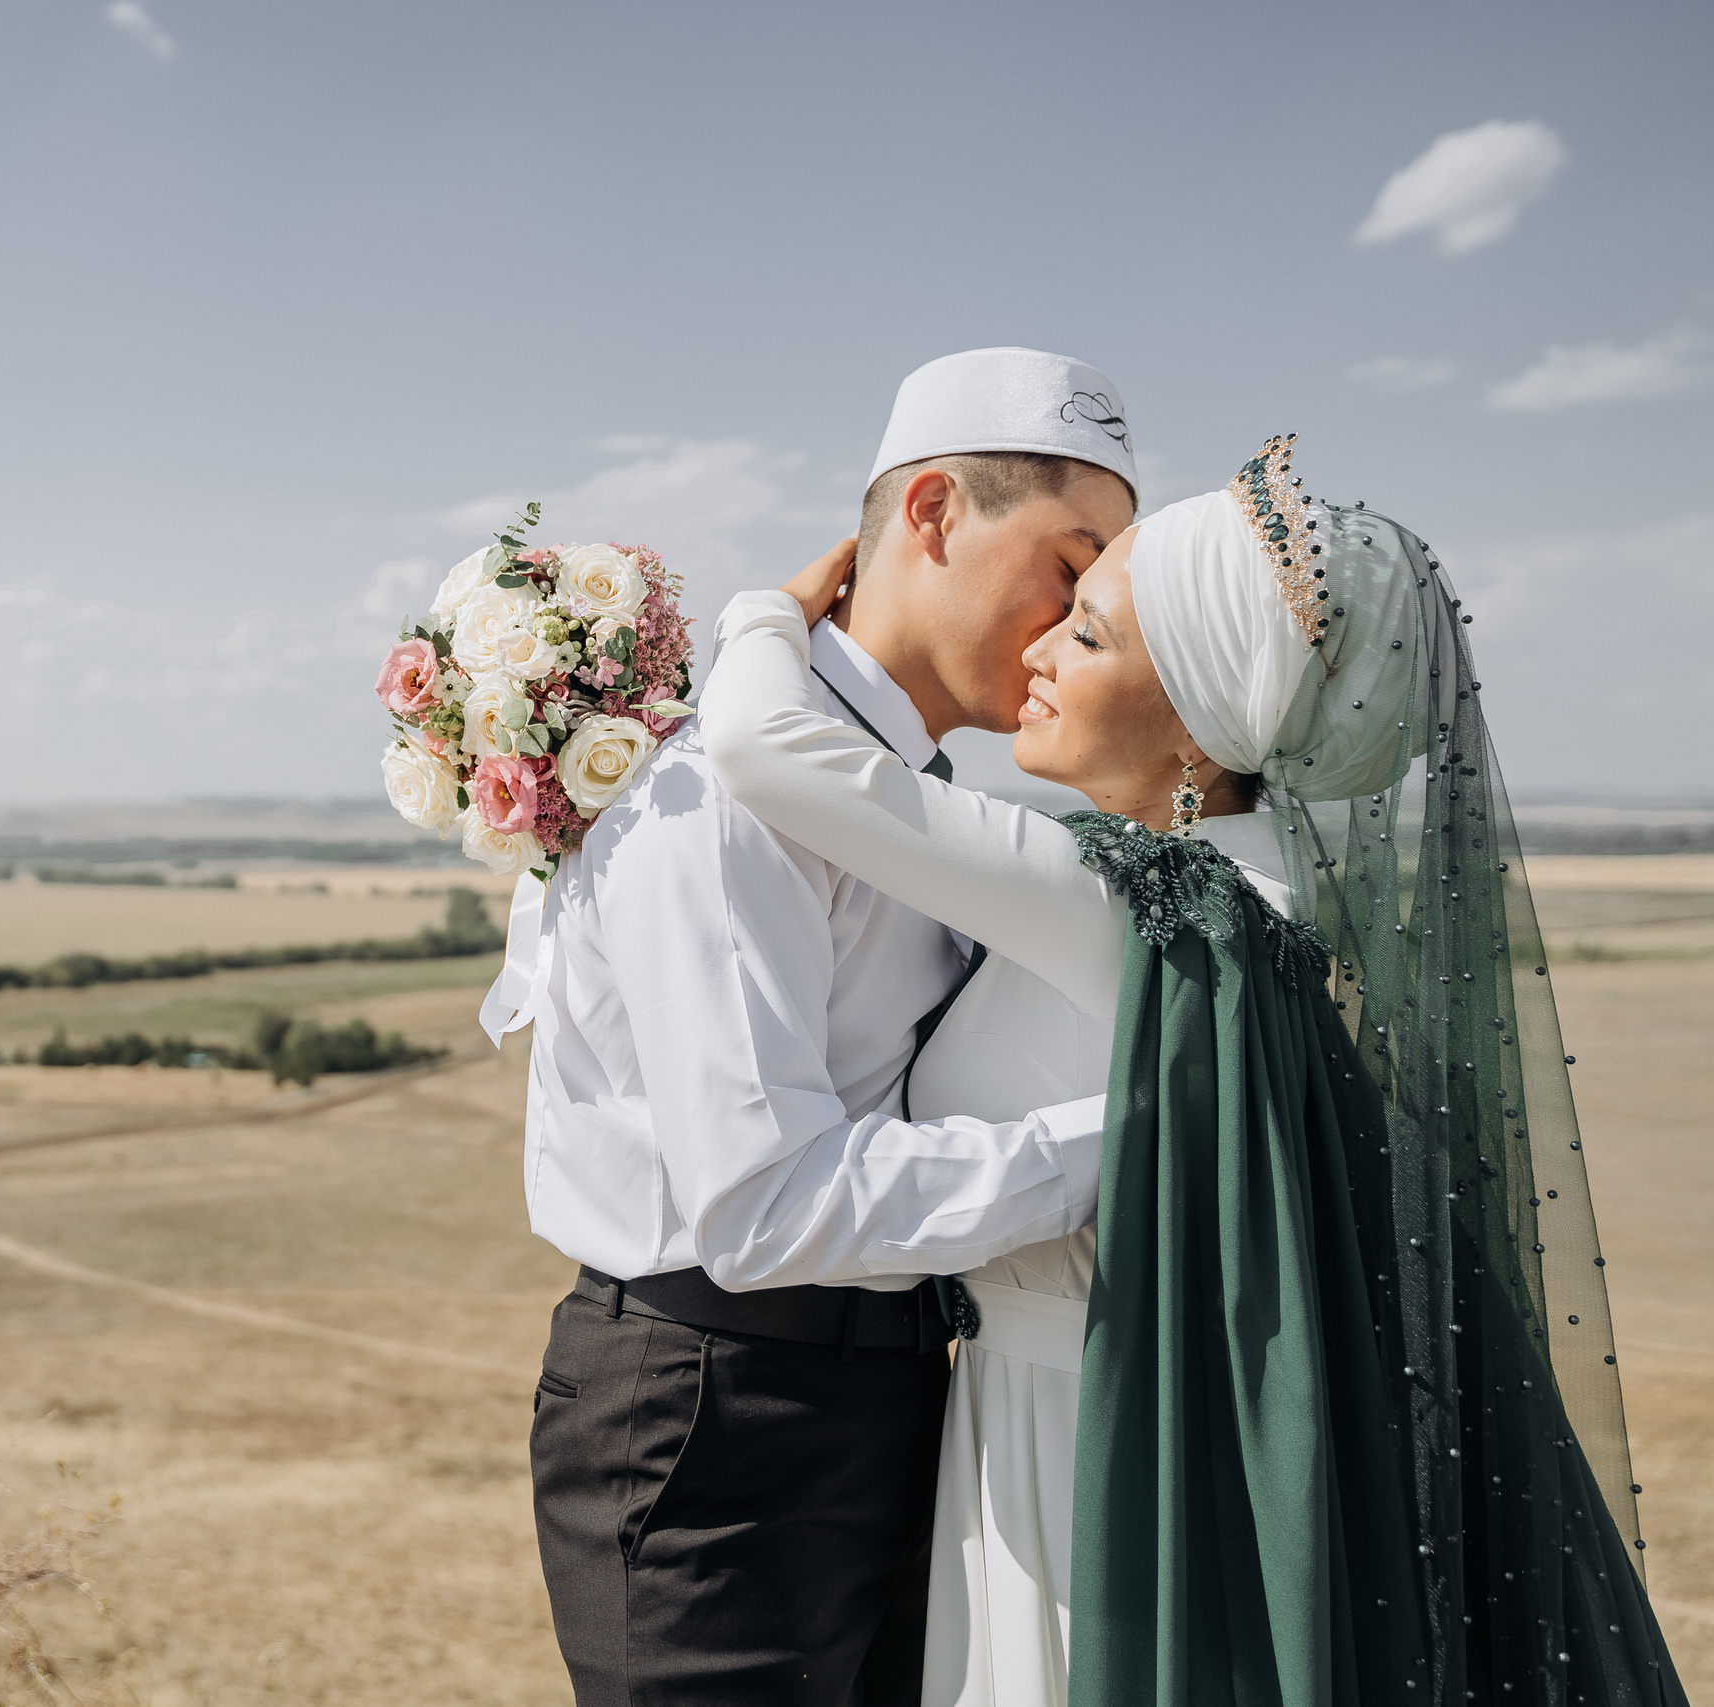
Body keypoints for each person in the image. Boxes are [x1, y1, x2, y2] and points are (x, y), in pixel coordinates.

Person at [699, 437, 1688, 1705]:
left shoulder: (1134, 902)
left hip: (1072, 1456)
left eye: (1089, 635)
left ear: (1197, 726)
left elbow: (761, 747)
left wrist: (767, 613)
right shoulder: (1266, 895)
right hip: (1111, 1428)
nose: (1039, 650)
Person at [486, 348, 1140, 1705]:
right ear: (933, 513)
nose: (1076, 621)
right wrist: (1140, 1137)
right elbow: (767, 1205)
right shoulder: (718, 801)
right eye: (1070, 567)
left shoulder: (917, 804)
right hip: (712, 1419)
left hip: (901, 1397)